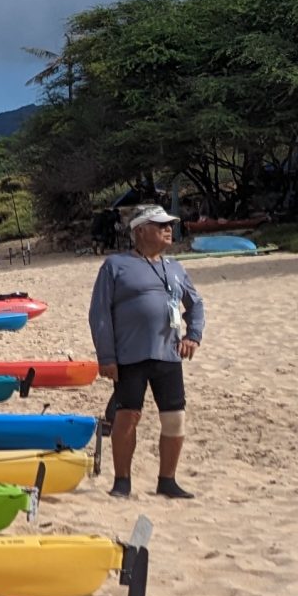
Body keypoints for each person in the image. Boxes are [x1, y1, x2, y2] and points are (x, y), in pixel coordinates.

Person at [89, 204, 204, 499]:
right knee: (128, 416)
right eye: (160, 224)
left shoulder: (175, 268)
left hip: (168, 354)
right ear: (140, 230)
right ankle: (122, 482)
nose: (168, 229)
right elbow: (99, 314)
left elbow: (196, 305)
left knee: (175, 417)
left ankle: (168, 481)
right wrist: (106, 356)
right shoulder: (115, 266)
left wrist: (193, 336)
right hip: (130, 355)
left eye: (169, 224)